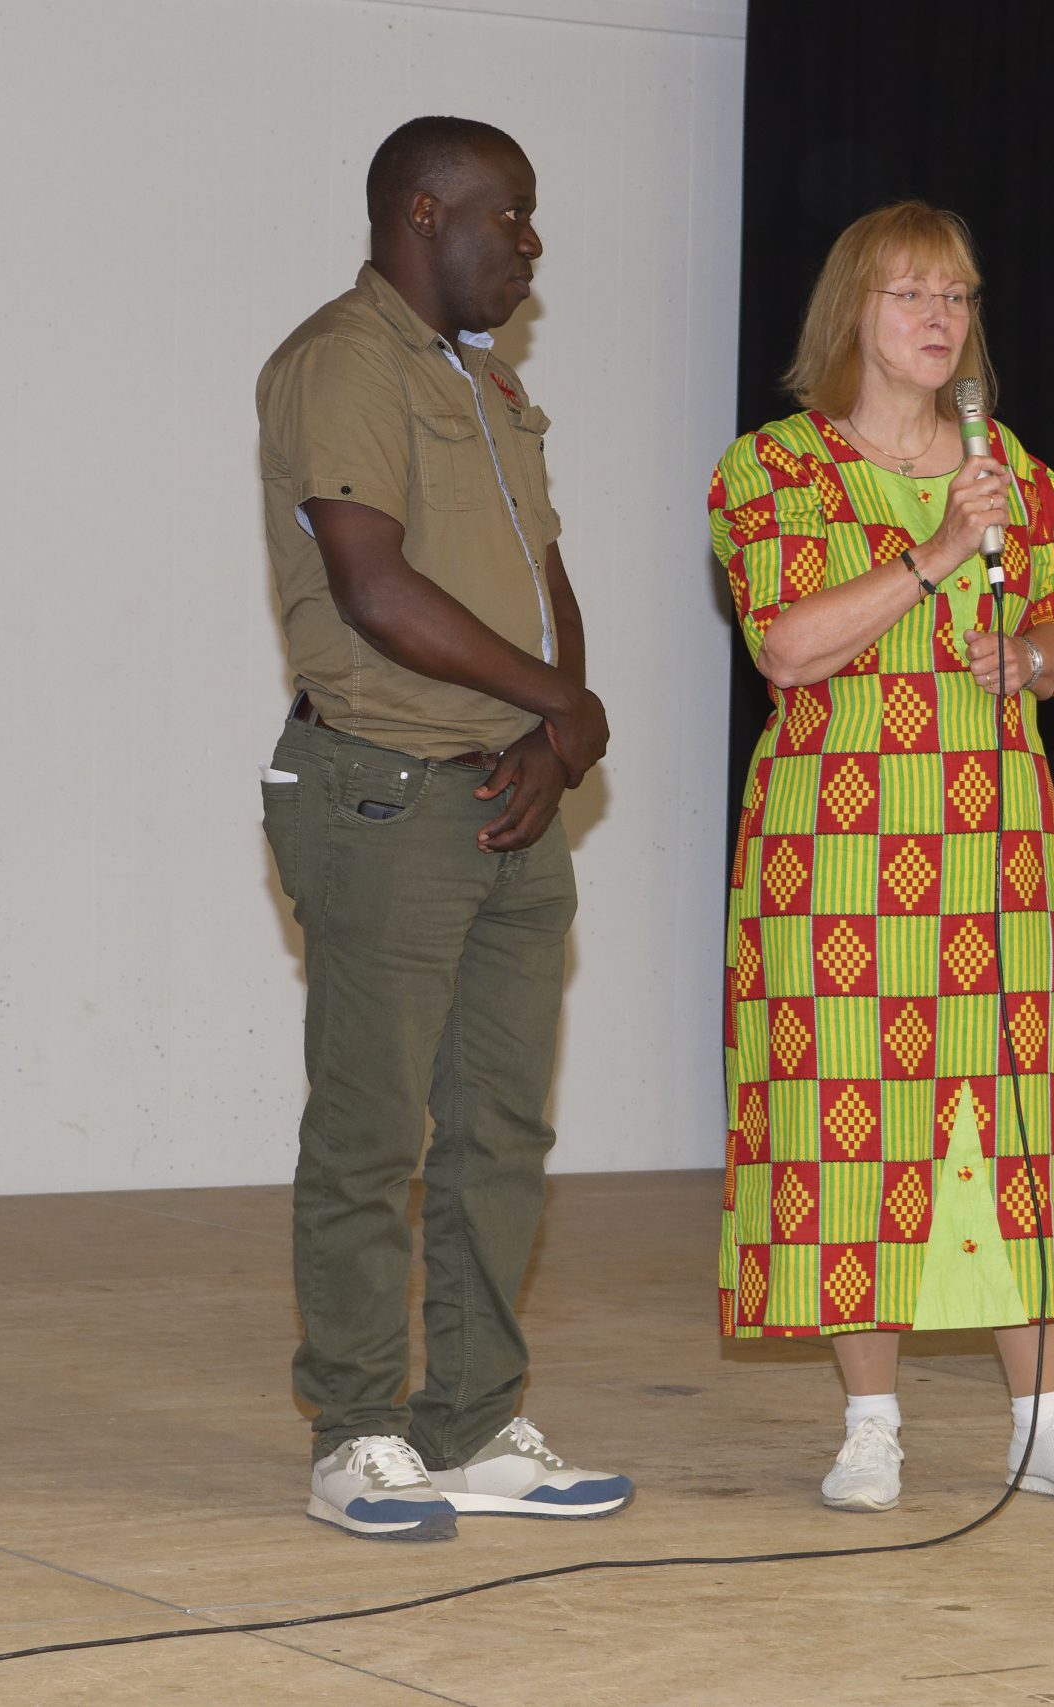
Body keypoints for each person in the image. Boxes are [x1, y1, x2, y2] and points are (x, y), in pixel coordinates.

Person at [708, 201, 1054, 1513]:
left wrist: (1033, 658)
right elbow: (788, 647)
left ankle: (1044, 1422)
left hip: (996, 848)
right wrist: (941, 550)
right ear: (852, 312)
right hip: (837, 850)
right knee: (849, 1120)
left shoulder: (1016, 472)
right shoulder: (774, 470)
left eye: (957, 296)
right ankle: (870, 1427)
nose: (940, 318)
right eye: (910, 295)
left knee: (1012, 1124)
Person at [255, 115, 628, 1543]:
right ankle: (355, 1433)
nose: (531, 244)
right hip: (385, 789)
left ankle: (469, 1425)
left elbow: (545, 576)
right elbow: (373, 586)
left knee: (500, 1132)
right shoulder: (342, 362)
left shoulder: (485, 383)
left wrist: (553, 733)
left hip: (507, 789)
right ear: (424, 212)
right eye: (509, 215)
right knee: (371, 1133)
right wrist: (565, 705)